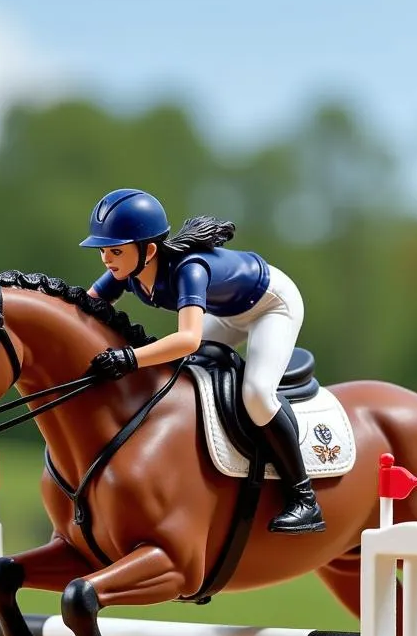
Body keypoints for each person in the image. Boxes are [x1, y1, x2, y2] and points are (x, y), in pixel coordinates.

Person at [82, 188, 325, 534]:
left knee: (256, 394)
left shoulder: (189, 270)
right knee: (183, 380)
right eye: (103, 250)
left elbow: (187, 339)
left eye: (115, 250)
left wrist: (130, 357)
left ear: (148, 250)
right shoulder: (126, 269)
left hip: (271, 305)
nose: (107, 259)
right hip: (227, 311)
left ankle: (305, 498)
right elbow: (85, 308)